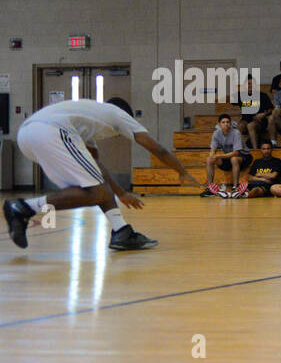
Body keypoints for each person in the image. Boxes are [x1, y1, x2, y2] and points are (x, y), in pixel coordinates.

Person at [4, 98, 202, 251]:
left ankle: (121, 232)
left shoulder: (86, 119)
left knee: (95, 187)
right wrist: (182, 172)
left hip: (27, 136)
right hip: (50, 132)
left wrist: (120, 192)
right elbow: (158, 149)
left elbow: (96, 167)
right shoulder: (119, 114)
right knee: (95, 192)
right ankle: (23, 207)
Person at [202, 113, 250, 197]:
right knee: (209, 159)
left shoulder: (236, 133)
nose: (226, 124)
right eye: (223, 122)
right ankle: (210, 188)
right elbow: (212, 149)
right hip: (228, 158)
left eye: (227, 122)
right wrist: (212, 155)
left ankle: (235, 188)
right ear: (219, 124)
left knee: (234, 159)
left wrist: (218, 156)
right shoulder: (216, 133)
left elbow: (236, 153)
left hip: (243, 157)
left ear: (230, 124)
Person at [239, 74, 273, 146]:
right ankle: (241, 147)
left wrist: (264, 114)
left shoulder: (263, 95)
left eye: (252, 84)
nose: (250, 85)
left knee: (251, 125)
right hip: (246, 121)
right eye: (248, 84)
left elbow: (271, 109)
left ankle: (255, 149)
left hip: (260, 121)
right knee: (239, 126)